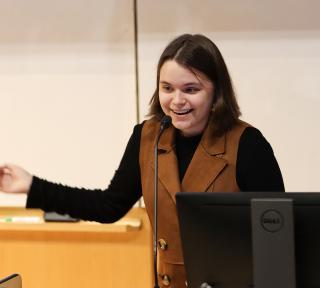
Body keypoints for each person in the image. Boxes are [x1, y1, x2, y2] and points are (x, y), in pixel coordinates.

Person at [0, 34, 284, 288]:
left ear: (216, 92)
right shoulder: (148, 136)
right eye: (167, 88)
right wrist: (31, 185)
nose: (176, 101)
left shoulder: (248, 144)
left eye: (190, 89)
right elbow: (108, 206)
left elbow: (276, 233)